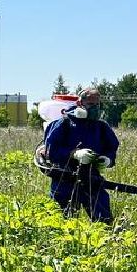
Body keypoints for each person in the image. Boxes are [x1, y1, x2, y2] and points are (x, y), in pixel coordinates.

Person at [38, 87, 120, 223]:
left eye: (97, 105)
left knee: (104, 222)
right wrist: (74, 154)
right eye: (91, 104)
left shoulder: (101, 127)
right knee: (63, 225)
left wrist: (107, 159)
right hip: (64, 181)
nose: (95, 108)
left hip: (91, 180)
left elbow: (111, 147)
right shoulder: (64, 123)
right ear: (80, 104)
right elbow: (51, 151)